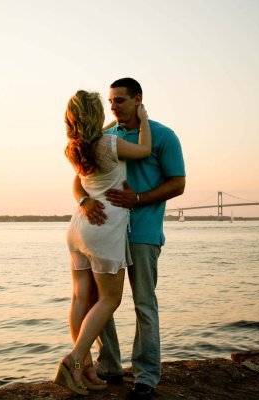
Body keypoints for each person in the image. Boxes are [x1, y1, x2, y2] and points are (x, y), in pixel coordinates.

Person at [73, 78, 185, 399]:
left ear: (138, 100)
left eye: (120, 100)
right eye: (111, 101)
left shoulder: (163, 136)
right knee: (101, 301)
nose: (113, 106)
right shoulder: (105, 137)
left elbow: (178, 184)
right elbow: (78, 180)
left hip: (143, 233)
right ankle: (109, 366)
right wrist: (84, 201)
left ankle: (147, 376)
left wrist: (138, 199)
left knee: (144, 304)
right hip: (106, 234)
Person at [53, 90, 152, 395]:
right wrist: (143, 118)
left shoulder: (74, 148)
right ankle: (73, 361)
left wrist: (82, 198)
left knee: (81, 298)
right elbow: (144, 150)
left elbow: (79, 180)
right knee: (110, 299)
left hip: (78, 228)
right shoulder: (110, 144)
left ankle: (85, 371)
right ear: (95, 115)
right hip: (103, 229)